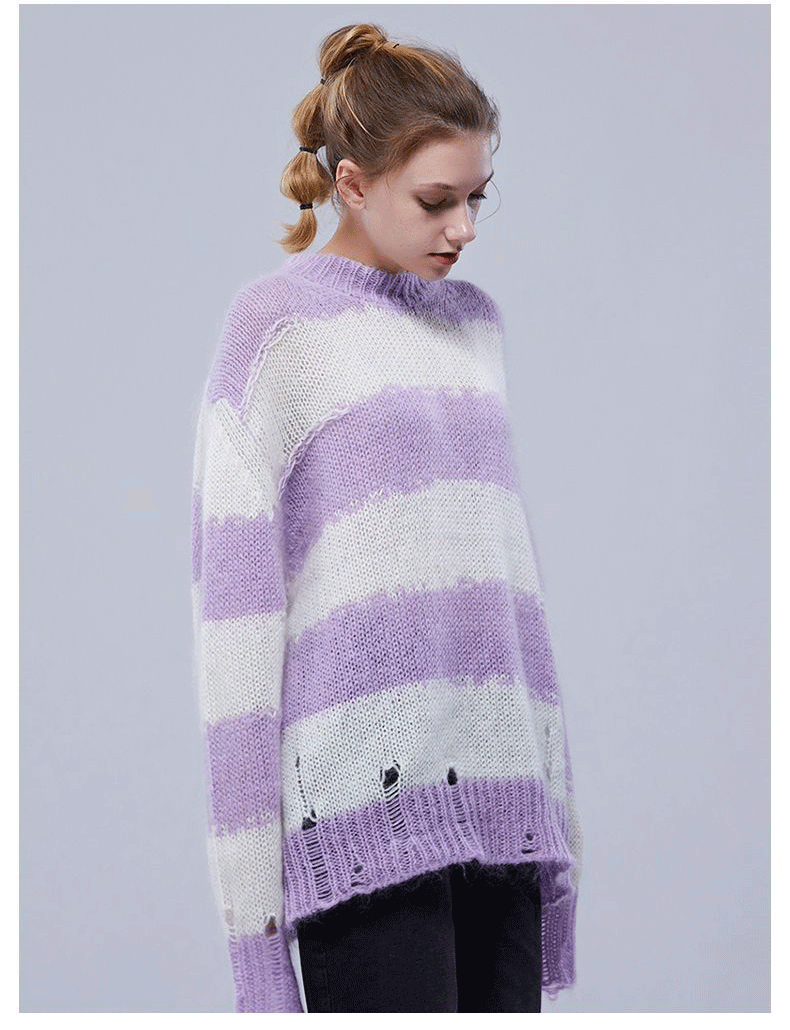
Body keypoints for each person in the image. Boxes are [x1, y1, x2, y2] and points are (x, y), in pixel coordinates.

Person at [190, 21, 583, 1013]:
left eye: (476, 197)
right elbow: (235, 635)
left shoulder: (474, 328)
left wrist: (557, 823)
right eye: (436, 201)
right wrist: (253, 944)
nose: (465, 228)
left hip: (500, 810)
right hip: (361, 819)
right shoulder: (276, 332)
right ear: (353, 183)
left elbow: (511, 590)